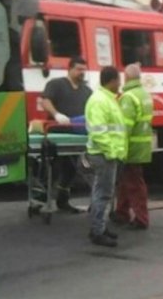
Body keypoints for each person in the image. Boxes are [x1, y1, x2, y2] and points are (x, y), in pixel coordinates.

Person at [40, 56, 92, 213]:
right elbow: (45, 101)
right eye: (78, 69)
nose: (81, 73)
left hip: (76, 135)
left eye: (84, 70)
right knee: (51, 169)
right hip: (57, 133)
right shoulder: (56, 84)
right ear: (69, 69)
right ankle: (40, 200)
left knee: (70, 169)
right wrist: (56, 114)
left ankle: (63, 201)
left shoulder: (86, 91)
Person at [84, 66, 128, 247]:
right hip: (104, 155)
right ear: (112, 81)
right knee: (103, 194)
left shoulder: (106, 99)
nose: (120, 84)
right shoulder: (101, 101)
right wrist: (111, 152)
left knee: (101, 192)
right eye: (118, 80)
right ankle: (97, 231)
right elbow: (99, 132)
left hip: (106, 154)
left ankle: (99, 227)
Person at [112, 64, 154, 230]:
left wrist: (119, 147)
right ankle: (121, 212)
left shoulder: (128, 97)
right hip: (142, 145)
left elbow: (125, 127)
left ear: (126, 77)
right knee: (126, 181)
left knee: (133, 183)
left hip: (131, 147)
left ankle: (141, 218)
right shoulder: (145, 95)